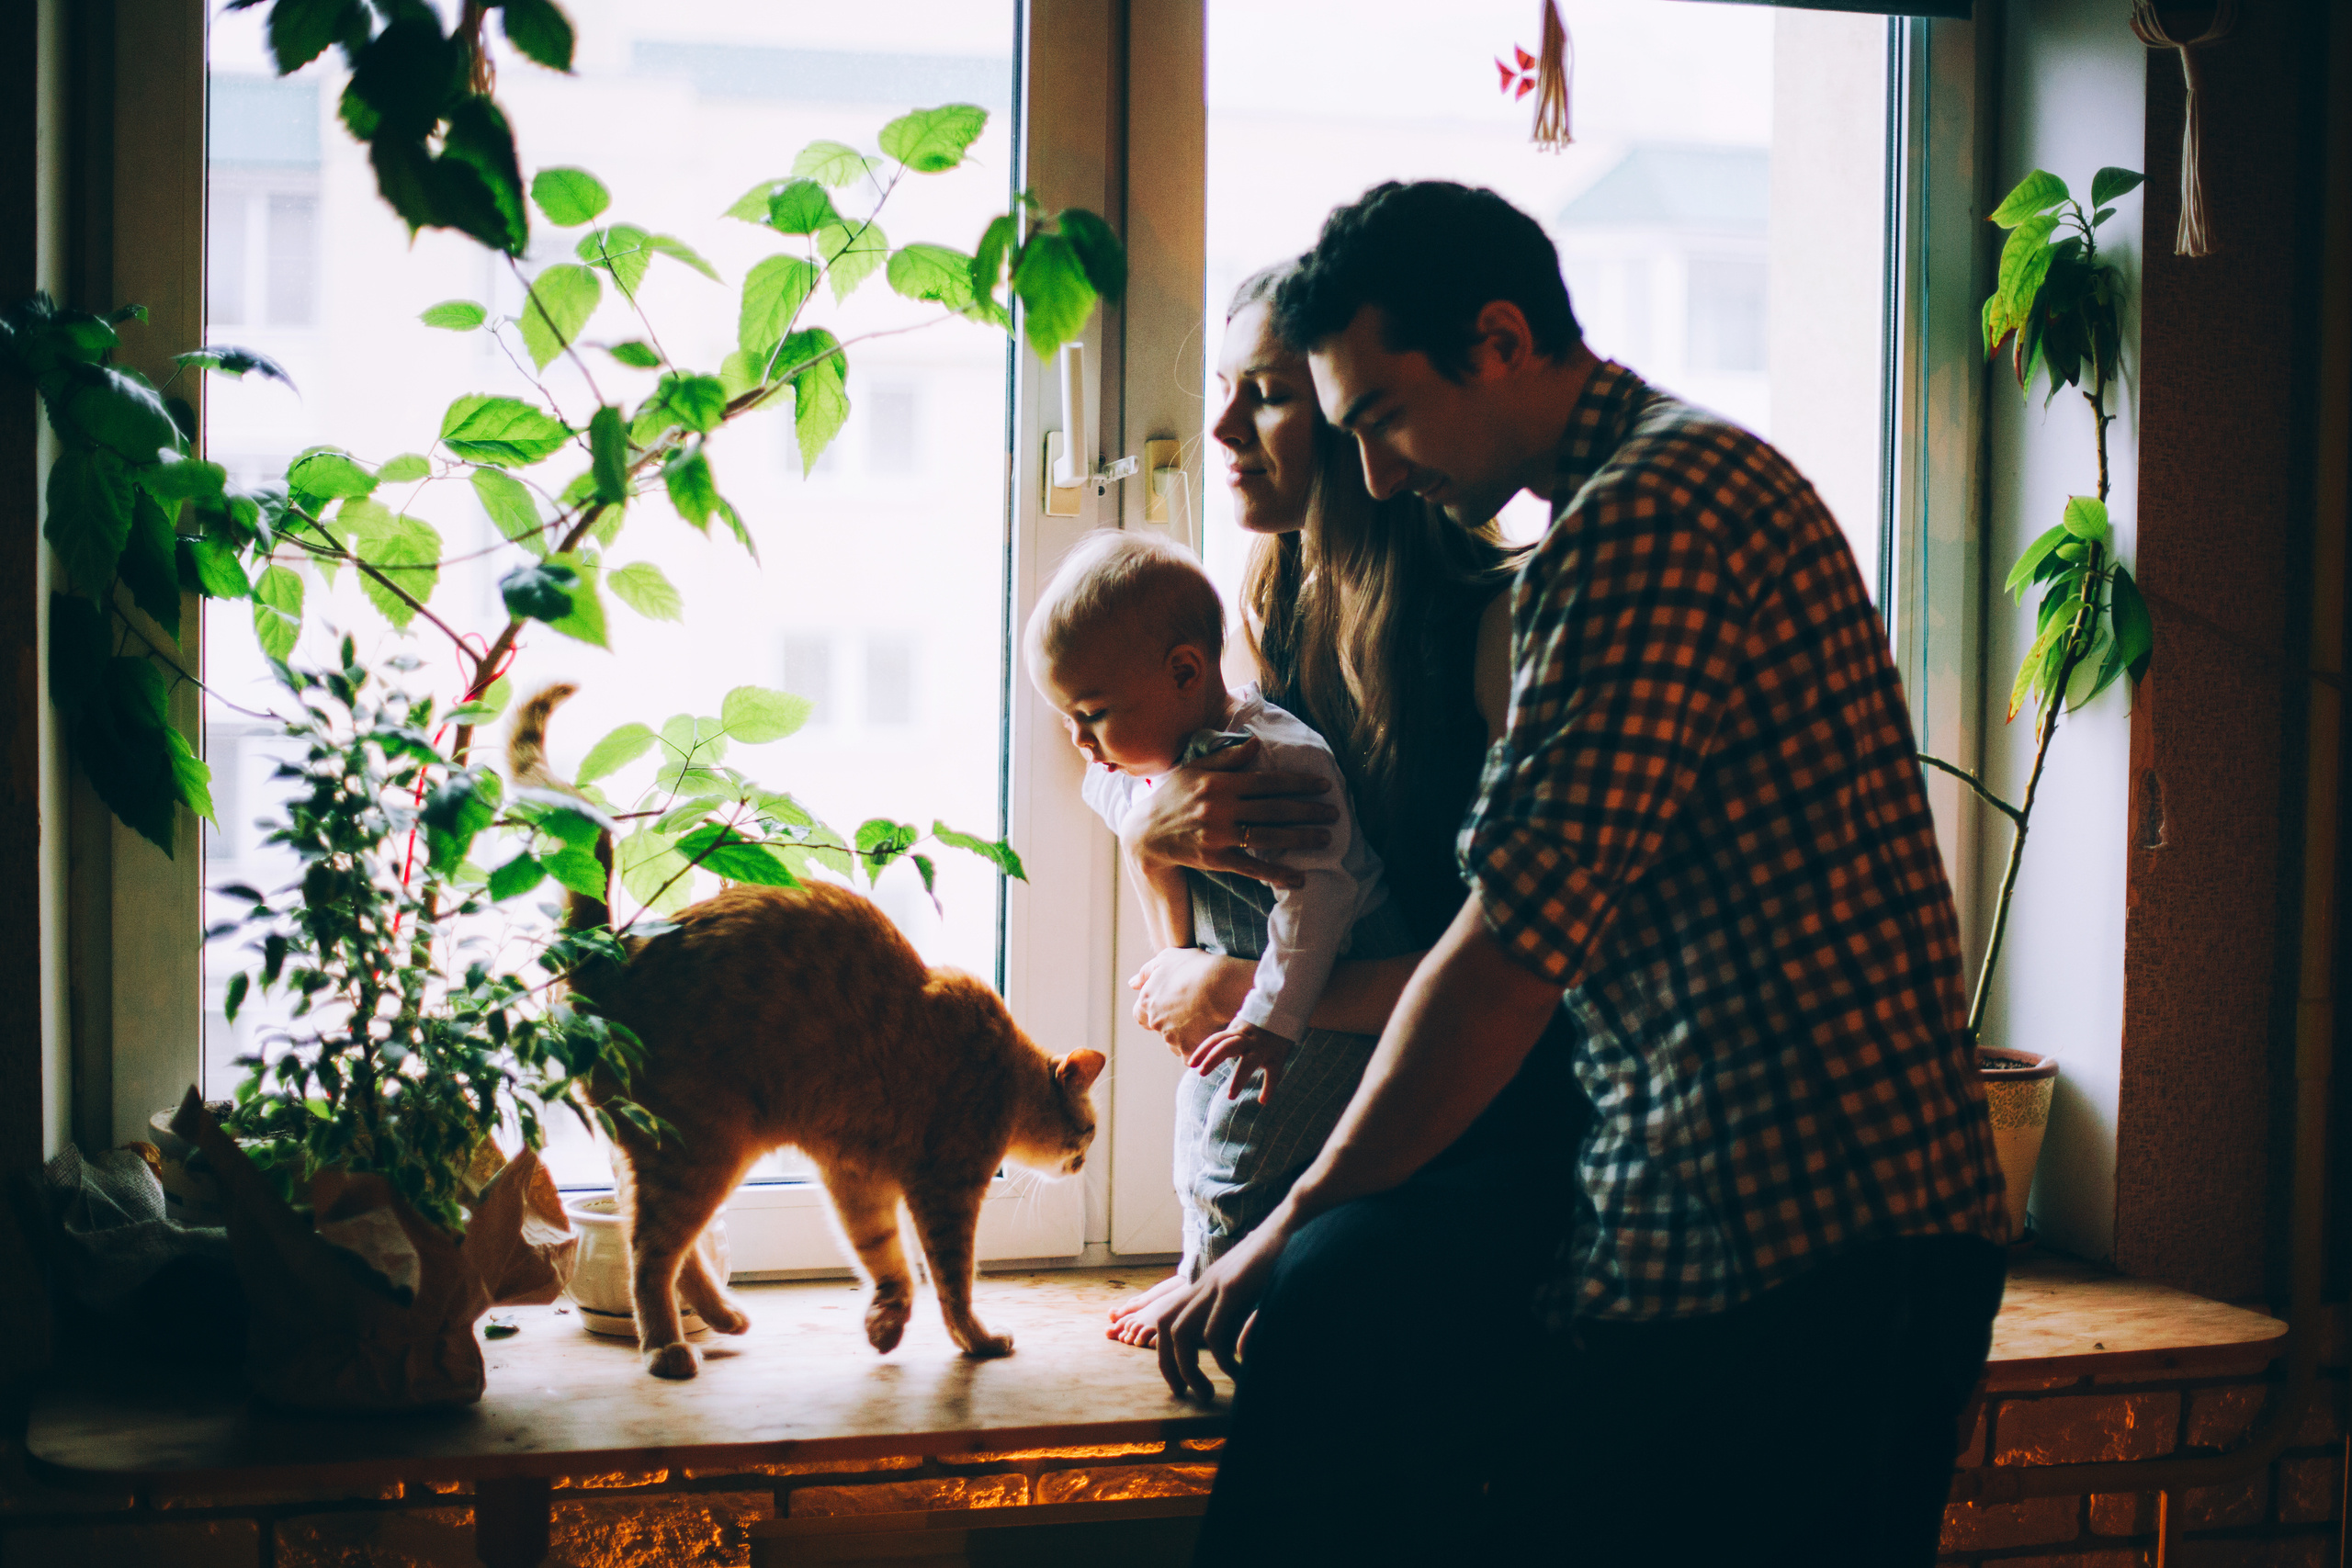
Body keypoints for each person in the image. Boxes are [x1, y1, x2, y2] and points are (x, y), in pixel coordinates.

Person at [1154, 182, 2009, 1568]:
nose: (1376, 474)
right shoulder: (1669, 486)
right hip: (1735, 1228)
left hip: (1819, 1237)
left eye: (1383, 418)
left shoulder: (1645, 521)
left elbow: (1506, 958)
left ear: (1500, 340)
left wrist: (1299, 1219)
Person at [1102, 264, 1583, 1524]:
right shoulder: (1270, 610)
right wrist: (1154, 839)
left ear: (1354, 410)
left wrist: (1249, 992)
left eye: (1263, 396)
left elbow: (1522, 976)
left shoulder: (1491, 627)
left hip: (1500, 1111)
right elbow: (1184, 861)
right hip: (1361, 1083)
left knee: (1323, 1313)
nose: (1221, 428)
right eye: (1223, 389)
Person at [1024, 527, 1405, 1295]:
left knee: (1239, 1151)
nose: (1080, 740)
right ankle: (1198, 1270)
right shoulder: (1160, 758)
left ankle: (1213, 1292)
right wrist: (1139, 822)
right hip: (1262, 997)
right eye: (1069, 717)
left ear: (1184, 672)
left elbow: (1320, 899)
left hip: (1328, 992)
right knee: (1195, 1129)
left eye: (1092, 713)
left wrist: (1271, 1019)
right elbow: (1126, 801)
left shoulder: (1274, 764)